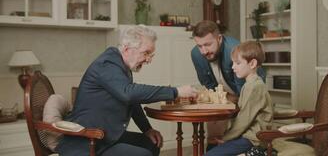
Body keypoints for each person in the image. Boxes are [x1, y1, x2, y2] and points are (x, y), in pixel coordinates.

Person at [56, 25, 197, 156]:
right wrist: (176, 91)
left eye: (151, 54)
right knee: (144, 154)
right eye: (146, 53)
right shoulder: (107, 63)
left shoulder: (121, 66)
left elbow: (131, 101)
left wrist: (147, 129)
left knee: (152, 143)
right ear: (127, 48)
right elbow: (129, 93)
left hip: (105, 136)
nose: (149, 60)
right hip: (87, 142)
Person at [190, 21, 265, 150]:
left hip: (244, 92)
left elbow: (245, 90)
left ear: (219, 38)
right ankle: (213, 150)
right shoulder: (196, 54)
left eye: (207, 44)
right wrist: (221, 100)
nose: (204, 51)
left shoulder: (235, 50)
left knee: (241, 125)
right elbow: (207, 83)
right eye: (199, 46)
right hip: (226, 95)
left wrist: (232, 100)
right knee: (214, 122)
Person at [204, 41, 273, 156]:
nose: (233, 67)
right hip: (247, 135)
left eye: (237, 63)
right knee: (212, 148)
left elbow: (244, 119)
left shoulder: (254, 87)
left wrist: (227, 137)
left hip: (253, 138)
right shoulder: (250, 84)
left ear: (252, 64)